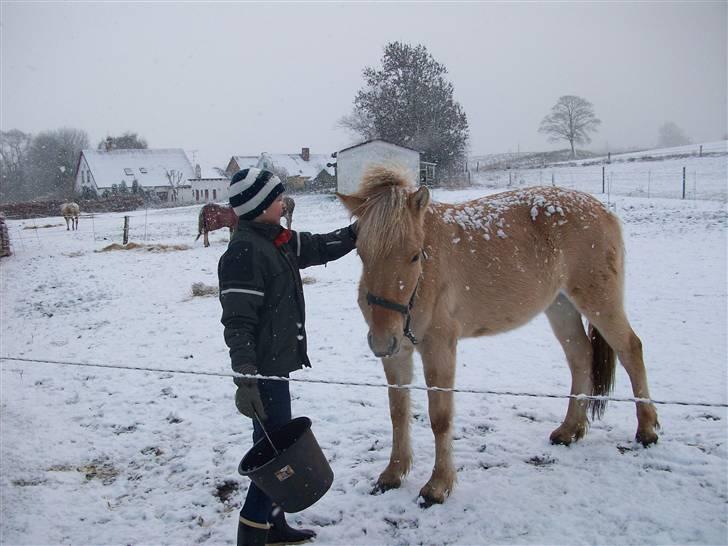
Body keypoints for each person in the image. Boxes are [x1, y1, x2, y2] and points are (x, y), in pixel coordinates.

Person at [218, 168, 357, 546]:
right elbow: (238, 320)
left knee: (278, 450)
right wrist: (247, 376)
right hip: (263, 372)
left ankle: (274, 527)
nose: (284, 202)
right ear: (260, 206)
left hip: (277, 367)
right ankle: (252, 532)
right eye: (278, 197)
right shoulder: (244, 252)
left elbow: (314, 247)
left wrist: (357, 233)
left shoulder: (274, 239)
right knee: (276, 459)